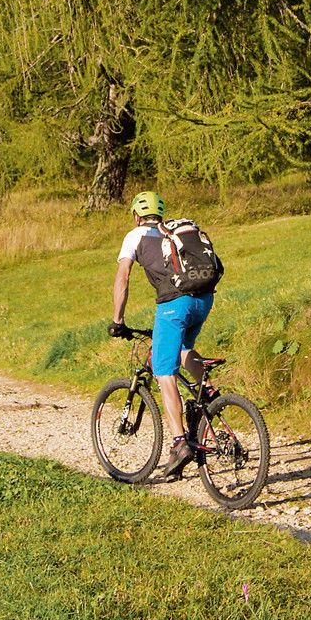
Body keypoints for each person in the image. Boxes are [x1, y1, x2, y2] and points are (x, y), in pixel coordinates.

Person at [109, 190, 221, 479]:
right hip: (204, 298)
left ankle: (179, 442)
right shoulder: (172, 232)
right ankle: (207, 392)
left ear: (136, 216)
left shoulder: (134, 236)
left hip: (174, 303)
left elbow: (123, 277)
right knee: (183, 346)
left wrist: (118, 319)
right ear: (160, 215)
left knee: (162, 371)